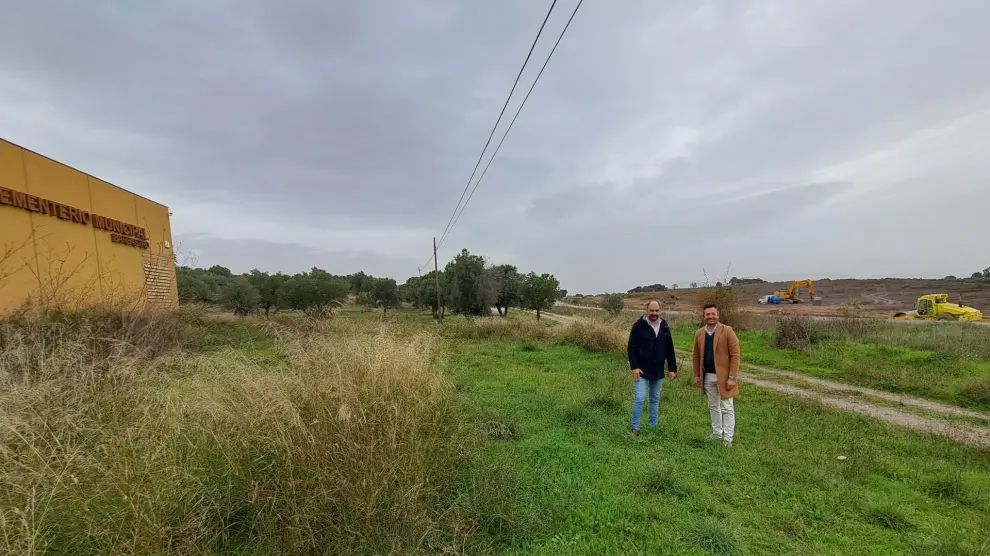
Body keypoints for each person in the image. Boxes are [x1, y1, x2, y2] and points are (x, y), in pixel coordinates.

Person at [692, 303, 740, 446]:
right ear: (704, 316)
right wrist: (697, 375)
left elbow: (735, 356)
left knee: (727, 407)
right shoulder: (699, 333)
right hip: (707, 376)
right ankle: (717, 433)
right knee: (713, 406)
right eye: (707, 314)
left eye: (713, 314)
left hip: (724, 378)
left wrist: (732, 377)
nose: (710, 316)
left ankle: (728, 439)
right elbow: (696, 356)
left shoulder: (727, 331)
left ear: (718, 315)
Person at [627, 300, 677, 436]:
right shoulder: (638, 326)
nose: (654, 313)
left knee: (655, 400)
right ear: (647, 310)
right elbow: (632, 347)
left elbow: (670, 349)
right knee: (640, 399)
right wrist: (634, 367)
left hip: (658, 370)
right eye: (651, 310)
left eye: (656, 310)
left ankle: (653, 427)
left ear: (660, 311)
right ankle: (635, 428)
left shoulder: (664, 325)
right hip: (641, 371)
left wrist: (672, 369)